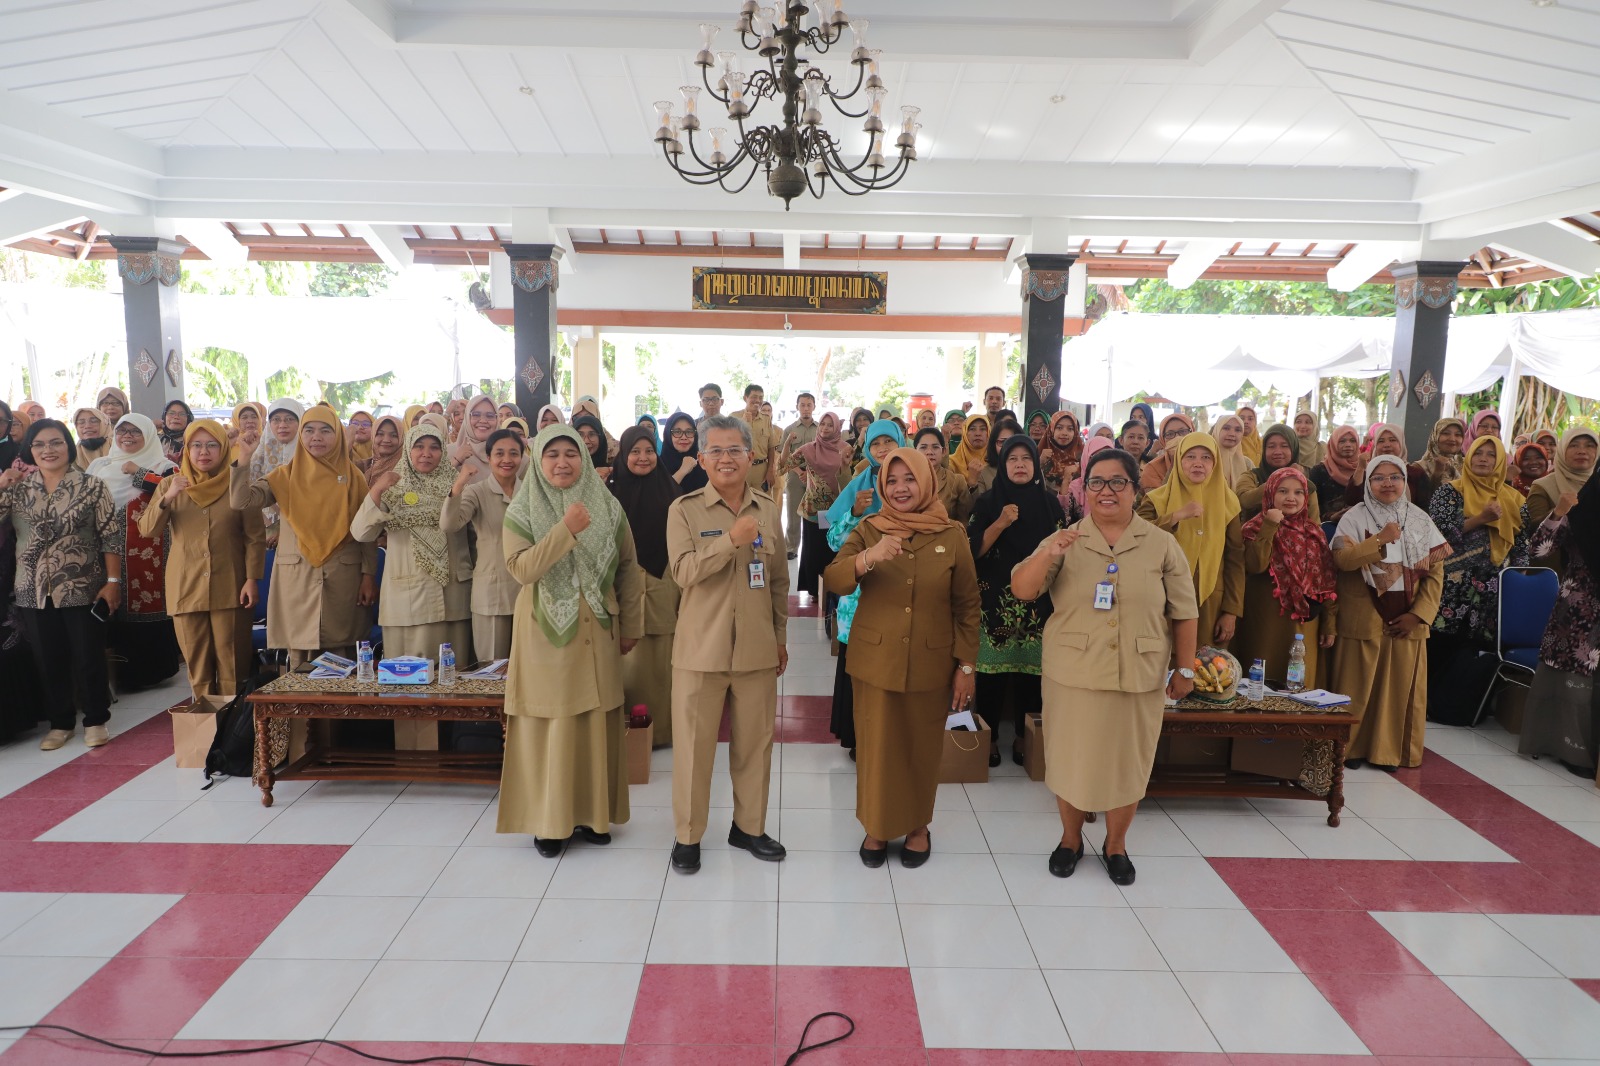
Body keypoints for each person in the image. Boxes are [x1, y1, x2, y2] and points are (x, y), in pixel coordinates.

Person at [1012, 447, 1199, 885]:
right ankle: (1070, 840)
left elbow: (1184, 611)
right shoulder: (1067, 538)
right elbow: (1023, 589)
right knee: (1071, 760)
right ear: (1084, 490)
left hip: (1140, 673)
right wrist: (1047, 553)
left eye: (1118, 482)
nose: (1107, 491)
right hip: (1073, 674)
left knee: (1127, 763)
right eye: (1097, 482)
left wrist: (1185, 669)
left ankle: (1116, 845)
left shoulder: (1161, 544)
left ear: (1135, 489)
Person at [824, 448, 979, 867]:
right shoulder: (869, 529)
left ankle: (917, 827)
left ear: (926, 481)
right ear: (880, 487)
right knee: (876, 748)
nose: (900, 488)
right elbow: (834, 578)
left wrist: (966, 666)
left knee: (920, 749)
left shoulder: (951, 535)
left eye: (909, 479)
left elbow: (967, 605)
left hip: (932, 662)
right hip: (875, 660)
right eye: (891, 481)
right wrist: (865, 559)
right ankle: (876, 827)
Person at [497, 424, 644, 855]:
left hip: (598, 630)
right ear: (538, 462)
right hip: (545, 633)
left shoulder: (609, 507)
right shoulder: (521, 511)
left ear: (584, 457)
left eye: (571, 453)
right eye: (552, 455)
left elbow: (629, 569)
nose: (562, 462)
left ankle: (594, 816)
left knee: (596, 722)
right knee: (555, 724)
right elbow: (522, 569)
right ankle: (550, 822)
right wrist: (566, 529)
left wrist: (632, 626)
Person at [665, 415, 789, 873]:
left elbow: (778, 582)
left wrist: (780, 639)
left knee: (755, 745)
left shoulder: (768, 509)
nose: (725, 459)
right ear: (701, 459)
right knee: (695, 749)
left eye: (734, 450)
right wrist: (730, 543)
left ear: (751, 456)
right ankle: (688, 836)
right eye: (715, 451)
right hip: (701, 650)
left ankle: (749, 828)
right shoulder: (684, 510)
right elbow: (683, 572)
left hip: (757, 649)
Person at [0, 420, 123, 750]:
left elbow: (111, 537)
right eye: (39, 444)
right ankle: (61, 722)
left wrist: (112, 583)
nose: (48, 450)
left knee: (88, 656)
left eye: (55, 443)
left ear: (68, 445)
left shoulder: (92, 486)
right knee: (48, 659)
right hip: (32, 590)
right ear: (30, 450)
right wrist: (1, 484)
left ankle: (96, 719)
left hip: (83, 585)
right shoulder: (20, 489)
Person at [232, 404, 377, 674]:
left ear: (338, 436)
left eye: (325, 430)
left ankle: (338, 717)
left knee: (342, 661)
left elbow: (366, 531)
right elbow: (241, 501)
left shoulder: (354, 477)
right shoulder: (284, 476)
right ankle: (299, 717)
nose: (316, 437)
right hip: (297, 579)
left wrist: (368, 574)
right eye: (309, 430)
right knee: (299, 661)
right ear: (301, 435)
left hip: (343, 578)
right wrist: (244, 458)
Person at [354, 422, 473, 748]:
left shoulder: (460, 484)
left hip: (453, 596)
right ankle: (413, 755)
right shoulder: (393, 486)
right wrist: (376, 491)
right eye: (419, 446)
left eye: (434, 447)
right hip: (407, 600)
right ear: (409, 450)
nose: (426, 453)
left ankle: (456, 752)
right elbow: (361, 533)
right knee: (409, 683)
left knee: (454, 682)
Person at [1328, 455, 1450, 770]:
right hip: (1363, 614)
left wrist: (1420, 614)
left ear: (1405, 482)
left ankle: (1389, 752)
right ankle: (1350, 748)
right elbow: (1342, 560)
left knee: (1397, 690)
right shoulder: (1353, 518)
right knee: (1356, 686)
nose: (1387, 483)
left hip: (1407, 617)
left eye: (1394, 477)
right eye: (1378, 477)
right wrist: (1380, 540)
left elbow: (1436, 574)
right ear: (1367, 482)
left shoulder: (1421, 520)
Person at [137, 419, 264, 698]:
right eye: (196, 445)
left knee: (233, 666)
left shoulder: (238, 484)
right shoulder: (171, 484)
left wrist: (252, 579)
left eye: (211, 445)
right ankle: (206, 735)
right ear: (187, 449)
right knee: (198, 668)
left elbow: (254, 536)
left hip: (231, 585)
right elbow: (147, 530)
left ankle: (231, 735)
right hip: (186, 586)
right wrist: (168, 497)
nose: (203, 452)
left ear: (223, 449)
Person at [967, 435, 1065, 766]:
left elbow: (1066, 552)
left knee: (1033, 675)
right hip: (996, 603)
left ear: (1035, 465)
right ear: (1003, 464)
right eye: (1013, 459)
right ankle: (990, 737)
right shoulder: (987, 502)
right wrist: (1001, 523)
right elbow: (971, 550)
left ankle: (1025, 738)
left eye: (1026, 458)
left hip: (1040, 603)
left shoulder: (1051, 504)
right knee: (991, 675)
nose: (1020, 464)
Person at [1426, 435, 1529, 718]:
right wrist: (1481, 518)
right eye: (1478, 453)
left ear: (1500, 462)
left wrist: (1516, 580)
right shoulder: (1450, 492)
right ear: (1469, 457)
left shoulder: (1515, 499)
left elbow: (1521, 546)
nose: (1484, 459)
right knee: (1440, 641)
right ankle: (1424, 701)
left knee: (1476, 646)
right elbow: (1438, 536)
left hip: (1493, 588)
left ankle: (1462, 707)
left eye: (1491, 455)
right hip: (1451, 583)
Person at [826, 420, 907, 754]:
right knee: (858, 664)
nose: (883, 449)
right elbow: (834, 543)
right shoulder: (859, 486)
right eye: (876, 444)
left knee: (892, 660)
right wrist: (855, 512)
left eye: (890, 441)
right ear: (868, 449)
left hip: (901, 590)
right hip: (859, 594)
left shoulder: (914, 484)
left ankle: (888, 738)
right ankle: (857, 736)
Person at [85, 414, 182, 690]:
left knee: (146, 606)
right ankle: (117, 675)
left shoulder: (165, 466)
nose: (127, 436)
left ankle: (150, 672)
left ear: (148, 434)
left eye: (135, 431)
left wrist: (137, 471)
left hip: (147, 551)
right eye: (122, 431)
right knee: (114, 606)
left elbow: (172, 493)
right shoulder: (100, 464)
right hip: (106, 548)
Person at [608, 425, 682, 748]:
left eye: (649, 451)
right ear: (624, 454)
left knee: (660, 662)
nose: (643, 458)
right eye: (635, 452)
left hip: (662, 583)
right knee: (625, 663)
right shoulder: (608, 494)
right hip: (621, 585)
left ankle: (662, 732)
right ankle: (623, 733)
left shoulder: (673, 494)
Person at [1519, 483, 1600, 774]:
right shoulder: (1582, 508)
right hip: (1577, 611)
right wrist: (1560, 511)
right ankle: (1573, 752)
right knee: (1575, 684)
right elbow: (1538, 549)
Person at [1232, 467, 1337, 686]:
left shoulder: (1313, 532)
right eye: (1282, 491)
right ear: (1269, 493)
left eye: (1299, 492)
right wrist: (1270, 525)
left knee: (1298, 688)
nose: (1291, 498)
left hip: (1304, 628)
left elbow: (1325, 583)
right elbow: (1256, 565)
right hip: (1264, 625)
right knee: (1261, 686)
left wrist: (1329, 624)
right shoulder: (1253, 528)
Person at [1138, 432, 1244, 649]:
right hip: (1160, 601)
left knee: (1206, 670)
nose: (1198, 464)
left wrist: (1231, 611)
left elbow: (1235, 558)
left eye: (1206, 458)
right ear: (1178, 461)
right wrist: (1175, 517)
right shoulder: (1156, 500)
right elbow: (1137, 538)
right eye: (1190, 457)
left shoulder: (1229, 503)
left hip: (1210, 604)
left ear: (1215, 463)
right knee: (1160, 664)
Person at [442, 427, 524, 662]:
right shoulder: (476, 491)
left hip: (526, 592)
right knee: (491, 671)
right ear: (489, 458)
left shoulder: (530, 492)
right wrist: (458, 486)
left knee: (526, 669)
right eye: (499, 453)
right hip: (491, 594)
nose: (507, 460)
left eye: (513, 453)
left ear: (522, 456)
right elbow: (449, 524)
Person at [781, 411, 854, 597]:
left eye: (830, 425)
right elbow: (783, 466)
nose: (825, 428)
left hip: (838, 509)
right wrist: (788, 443)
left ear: (837, 427)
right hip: (813, 511)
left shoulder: (845, 448)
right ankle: (814, 590)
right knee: (813, 550)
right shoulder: (808, 449)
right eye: (822, 424)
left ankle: (833, 588)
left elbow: (852, 476)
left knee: (834, 549)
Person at [1523, 426, 1598, 576]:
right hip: (1553, 573)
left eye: (1589, 445)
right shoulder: (1543, 485)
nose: (1582, 451)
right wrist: (1558, 511)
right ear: (1562, 450)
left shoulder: (1597, 484)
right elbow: (1530, 528)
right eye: (1574, 445)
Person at [1235, 424, 1321, 524]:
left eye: (1284, 446)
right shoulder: (1251, 476)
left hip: (1297, 539)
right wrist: (1282, 477)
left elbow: (1315, 525)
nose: (1277, 452)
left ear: (1294, 449)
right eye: (1271, 446)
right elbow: (1245, 501)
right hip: (1257, 537)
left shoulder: (1305, 484)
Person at [1342, 424, 1432, 509]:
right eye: (1381, 441)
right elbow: (1352, 501)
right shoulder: (1368, 472)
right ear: (1375, 445)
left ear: (1401, 443)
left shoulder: (1416, 474)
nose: (1387, 445)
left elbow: (1424, 507)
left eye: (1392, 440)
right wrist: (1360, 468)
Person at [252, 399, 303, 547]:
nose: (282, 425)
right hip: (263, 531)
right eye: (276, 420)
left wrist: (286, 531)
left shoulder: (310, 454)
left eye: (289, 419)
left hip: (300, 532)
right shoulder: (259, 451)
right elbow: (247, 490)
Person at [780, 392, 818, 556]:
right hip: (795, 477)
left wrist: (809, 472)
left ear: (814, 407)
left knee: (814, 513)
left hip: (815, 477)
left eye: (809, 405)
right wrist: (798, 471)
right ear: (797, 407)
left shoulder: (820, 429)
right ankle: (791, 547)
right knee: (793, 513)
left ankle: (814, 547)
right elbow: (784, 454)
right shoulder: (789, 430)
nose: (806, 408)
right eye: (802, 405)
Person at [914, 425, 972, 524]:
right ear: (915, 451)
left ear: (944, 451)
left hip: (946, 537)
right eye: (923, 447)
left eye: (935, 447)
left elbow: (963, 520)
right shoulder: (907, 480)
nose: (929, 452)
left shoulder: (956, 481)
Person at [733, 383, 783, 493]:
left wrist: (770, 470)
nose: (757, 400)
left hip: (761, 469)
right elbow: (728, 442)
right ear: (745, 398)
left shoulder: (766, 420)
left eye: (760, 397)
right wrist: (743, 422)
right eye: (754, 397)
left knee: (763, 505)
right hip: (741, 467)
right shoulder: (734, 417)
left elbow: (771, 447)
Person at [1309, 425, 1360, 524]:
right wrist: (1331, 517)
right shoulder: (1319, 471)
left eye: (1352, 441)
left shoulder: (1365, 469)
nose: (1348, 444)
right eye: (1342, 441)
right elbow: (1311, 506)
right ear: (1333, 443)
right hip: (1326, 529)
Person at [450, 393, 500, 486]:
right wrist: (455, 462)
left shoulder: (509, 454)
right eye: (476, 415)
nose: (483, 421)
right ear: (467, 418)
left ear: (497, 420)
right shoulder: (448, 453)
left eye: (490, 416)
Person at [1138, 413, 1196, 491]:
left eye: (1183, 431)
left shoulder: (1203, 463)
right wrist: (1174, 465)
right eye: (1170, 434)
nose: (1177, 437)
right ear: (1162, 439)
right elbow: (1157, 501)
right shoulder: (1152, 469)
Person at [661, 411, 708, 493]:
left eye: (689, 432)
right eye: (677, 432)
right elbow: (660, 497)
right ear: (668, 434)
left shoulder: (703, 462)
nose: (684, 437)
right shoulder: (658, 465)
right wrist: (682, 471)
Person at [1038, 412, 1082, 496]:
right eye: (1059, 428)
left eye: (1070, 429)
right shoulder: (1041, 454)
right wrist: (1040, 462)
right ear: (1051, 430)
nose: (1064, 433)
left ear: (1075, 432)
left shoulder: (1082, 457)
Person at [1420, 417, 1466, 491]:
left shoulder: (1465, 465)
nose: (1452, 439)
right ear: (1435, 436)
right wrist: (1437, 473)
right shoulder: (1419, 468)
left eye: (1458, 435)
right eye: (1446, 433)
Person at [949, 415, 990, 488]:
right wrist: (971, 483)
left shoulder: (996, 461)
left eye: (983, 429)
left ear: (989, 433)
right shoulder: (952, 463)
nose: (978, 433)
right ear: (965, 433)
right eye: (972, 429)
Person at [1212, 414, 1253, 486]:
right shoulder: (1207, 460)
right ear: (1217, 430)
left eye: (1238, 430)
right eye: (1226, 428)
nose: (1232, 434)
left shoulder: (1247, 464)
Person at [363, 414, 404, 483]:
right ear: (373, 436)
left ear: (401, 439)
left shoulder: (405, 468)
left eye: (394, 435)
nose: (386, 440)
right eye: (380, 434)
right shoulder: (364, 465)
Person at [572, 412, 612, 481]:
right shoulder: (566, 471)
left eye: (592, 434)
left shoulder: (610, 474)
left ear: (601, 438)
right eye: (580, 434)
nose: (586, 441)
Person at [158, 400, 193, 465]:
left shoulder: (193, 441)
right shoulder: (156, 439)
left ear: (188, 419)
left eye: (182, 414)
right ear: (164, 417)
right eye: (171, 413)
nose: (176, 417)